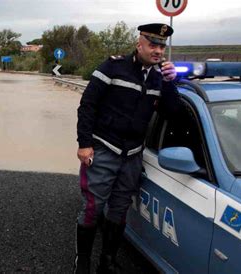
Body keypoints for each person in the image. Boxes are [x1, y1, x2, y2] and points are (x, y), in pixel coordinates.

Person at [74, 23, 180, 273]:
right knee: (93, 208)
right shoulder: (113, 67)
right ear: (139, 43)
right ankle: (83, 262)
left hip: (132, 155)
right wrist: (84, 144)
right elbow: (87, 105)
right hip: (103, 149)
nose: (157, 51)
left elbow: (172, 112)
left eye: (161, 46)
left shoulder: (158, 77)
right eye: (152, 44)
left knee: (120, 209)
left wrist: (171, 83)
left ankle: (107, 261)